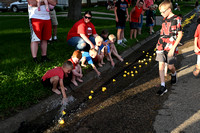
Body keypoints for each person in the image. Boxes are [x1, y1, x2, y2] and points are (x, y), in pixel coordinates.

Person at [156, 0, 183, 96]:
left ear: (169, 9)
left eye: (163, 11)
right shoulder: (164, 19)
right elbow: (162, 32)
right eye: (160, 12)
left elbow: (179, 35)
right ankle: (163, 86)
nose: (161, 13)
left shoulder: (177, 19)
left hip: (171, 46)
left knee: (170, 66)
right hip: (161, 45)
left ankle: (174, 73)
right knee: (161, 66)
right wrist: (158, 44)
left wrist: (173, 48)